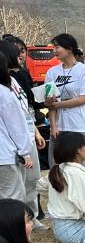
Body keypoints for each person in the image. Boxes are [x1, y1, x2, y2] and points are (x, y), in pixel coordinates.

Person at [43, 34, 85, 170]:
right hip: (60, 127)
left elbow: (82, 99)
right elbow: (50, 102)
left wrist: (56, 104)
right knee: (57, 167)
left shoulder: (84, 71)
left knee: (81, 167)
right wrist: (53, 125)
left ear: (69, 48)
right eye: (53, 47)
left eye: (57, 47)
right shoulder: (52, 72)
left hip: (81, 125)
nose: (54, 50)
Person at [36, 132, 85, 243]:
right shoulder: (76, 173)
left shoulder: (59, 169)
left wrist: (58, 201)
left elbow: (40, 185)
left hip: (61, 228)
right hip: (74, 229)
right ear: (76, 150)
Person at [0, 50, 33, 202]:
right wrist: (25, 151)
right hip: (4, 156)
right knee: (12, 199)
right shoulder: (4, 93)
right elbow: (16, 125)